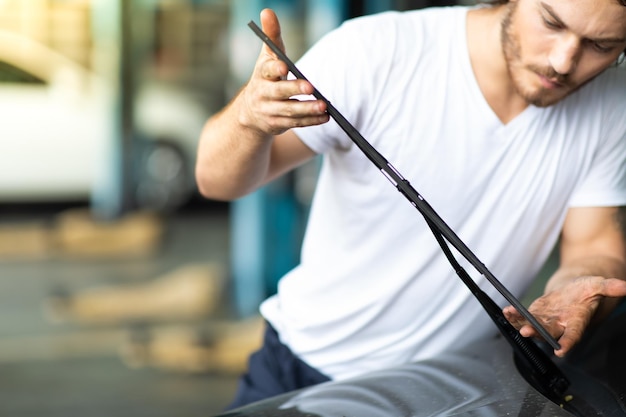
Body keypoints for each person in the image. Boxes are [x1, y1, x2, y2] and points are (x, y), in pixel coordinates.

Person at [195, 0, 626, 409]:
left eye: (601, 46)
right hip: (304, 370)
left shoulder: (611, 103)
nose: (564, 61)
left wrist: (581, 289)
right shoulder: (376, 52)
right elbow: (216, 181)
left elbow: (594, 243)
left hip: (458, 387)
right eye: (551, 23)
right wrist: (247, 121)